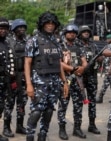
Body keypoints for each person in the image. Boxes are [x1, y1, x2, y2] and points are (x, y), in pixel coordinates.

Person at [24, 11, 69, 141]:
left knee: (49, 111)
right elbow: (27, 63)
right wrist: (29, 85)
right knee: (36, 112)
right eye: (47, 23)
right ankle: (30, 136)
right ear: (42, 24)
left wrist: (64, 82)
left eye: (52, 23)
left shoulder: (56, 41)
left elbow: (59, 63)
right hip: (39, 83)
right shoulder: (33, 41)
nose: (50, 25)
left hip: (54, 83)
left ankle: (42, 136)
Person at [57, 24, 88, 140]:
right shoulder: (60, 46)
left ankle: (77, 128)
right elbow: (59, 63)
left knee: (78, 106)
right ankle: (62, 129)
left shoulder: (79, 45)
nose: (72, 34)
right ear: (65, 34)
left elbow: (84, 61)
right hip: (65, 80)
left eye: (74, 33)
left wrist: (82, 68)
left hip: (78, 80)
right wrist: (73, 69)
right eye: (69, 32)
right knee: (63, 106)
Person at [3, 18, 28, 137]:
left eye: (24, 27)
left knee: (22, 102)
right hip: (12, 77)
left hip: (24, 76)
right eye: (19, 27)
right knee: (9, 103)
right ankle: (6, 127)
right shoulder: (8, 41)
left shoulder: (27, 42)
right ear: (14, 29)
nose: (22, 29)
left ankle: (19, 126)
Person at [77, 25, 101, 134]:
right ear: (80, 33)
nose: (86, 33)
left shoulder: (93, 45)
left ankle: (92, 125)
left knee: (92, 102)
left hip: (92, 76)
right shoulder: (76, 45)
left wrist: (100, 58)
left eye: (87, 32)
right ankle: (77, 127)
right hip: (80, 77)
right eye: (84, 31)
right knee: (79, 102)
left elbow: (100, 58)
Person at [0, 17, 13, 141]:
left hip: (5, 81)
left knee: (1, 106)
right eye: (1, 28)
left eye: (5, 28)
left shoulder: (7, 43)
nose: (3, 31)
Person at [96, 34, 111, 103]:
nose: (107, 40)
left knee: (106, 83)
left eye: (108, 39)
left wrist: (110, 68)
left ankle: (100, 97)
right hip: (108, 67)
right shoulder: (108, 46)